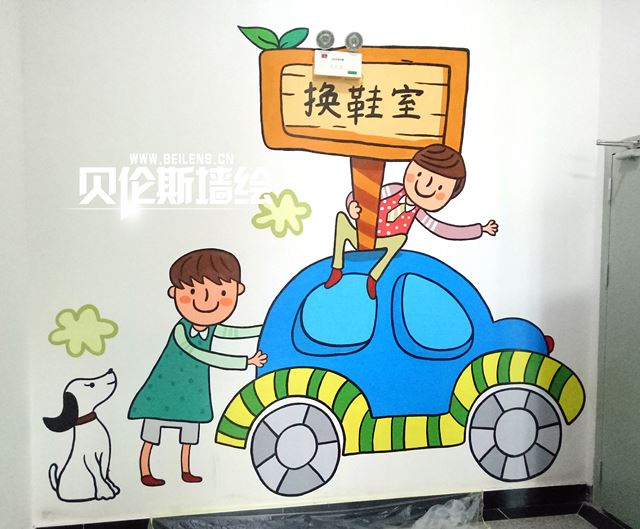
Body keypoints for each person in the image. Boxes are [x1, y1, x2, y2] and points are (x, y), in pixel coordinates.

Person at [128, 248, 267, 487]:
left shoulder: (211, 327)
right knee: (152, 431)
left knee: (189, 432)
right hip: (164, 388)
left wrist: (268, 326)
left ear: (238, 290)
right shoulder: (181, 330)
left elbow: (234, 333)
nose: (206, 301)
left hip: (193, 391)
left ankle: (185, 470)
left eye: (221, 292)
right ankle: (145, 470)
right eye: (192, 291)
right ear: (174, 292)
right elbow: (200, 354)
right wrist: (245, 362)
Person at [325, 144, 498, 299]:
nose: (425, 186)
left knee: (400, 239)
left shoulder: (418, 212)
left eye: (439, 188)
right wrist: (352, 206)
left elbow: (442, 229)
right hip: (360, 234)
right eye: (420, 175)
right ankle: (337, 268)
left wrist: (480, 229)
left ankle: (374, 276)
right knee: (341, 219)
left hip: (383, 244)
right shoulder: (393, 190)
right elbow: (362, 195)